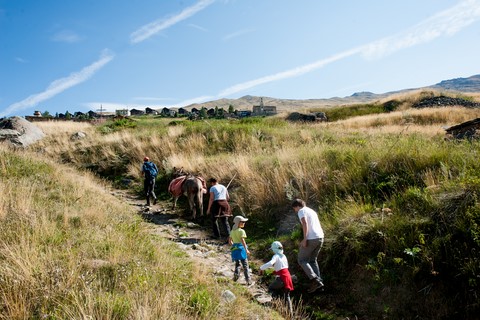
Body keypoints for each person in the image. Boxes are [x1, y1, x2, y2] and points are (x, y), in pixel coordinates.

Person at [292, 198, 325, 293]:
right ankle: (319, 283)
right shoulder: (312, 211)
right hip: (320, 237)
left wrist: (305, 239)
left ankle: (315, 280)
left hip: (311, 238)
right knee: (312, 260)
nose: (295, 211)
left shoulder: (301, 211)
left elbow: (305, 223)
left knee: (302, 259)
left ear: (297, 206)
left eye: (294, 209)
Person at [259, 241, 294, 316]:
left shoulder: (276, 256)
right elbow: (283, 268)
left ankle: (276, 304)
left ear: (274, 249)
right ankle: (290, 314)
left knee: (271, 288)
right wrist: (274, 272)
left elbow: (271, 263)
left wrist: (261, 268)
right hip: (288, 277)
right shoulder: (284, 256)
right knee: (287, 295)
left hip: (281, 278)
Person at [229, 215, 252, 285]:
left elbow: (230, 241)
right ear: (238, 222)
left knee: (237, 264)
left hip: (235, 249)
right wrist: (246, 249)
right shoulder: (241, 231)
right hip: (241, 248)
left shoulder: (232, 231)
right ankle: (248, 280)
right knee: (245, 265)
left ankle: (235, 278)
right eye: (242, 222)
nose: (244, 223)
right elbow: (243, 241)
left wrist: (234, 246)